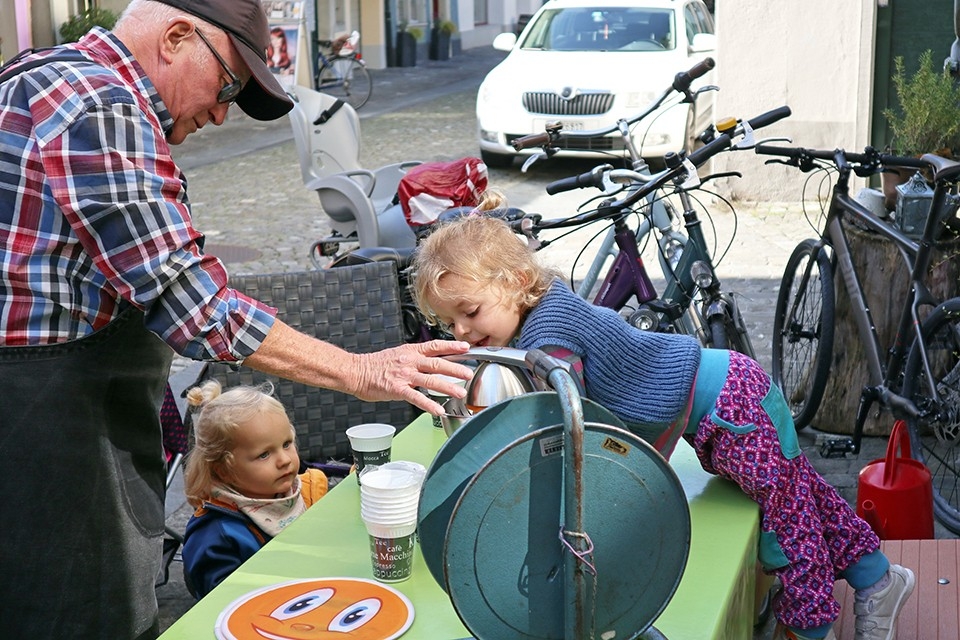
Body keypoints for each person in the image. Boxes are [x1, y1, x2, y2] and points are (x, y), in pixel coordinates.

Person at [0, 0, 469, 637]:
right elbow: (191, 303)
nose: (221, 114)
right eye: (226, 87)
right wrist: (361, 368)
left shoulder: (40, 74)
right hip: (51, 427)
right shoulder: (101, 103)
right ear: (175, 36)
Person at [411, 214, 916, 640]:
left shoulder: (548, 334)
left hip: (729, 405)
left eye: (470, 312)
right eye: (448, 323)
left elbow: (568, 427)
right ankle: (877, 578)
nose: (460, 332)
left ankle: (811, 627)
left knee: (787, 524)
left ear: (516, 282)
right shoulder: (543, 307)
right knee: (800, 490)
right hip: (725, 393)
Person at [180, 380, 327, 598]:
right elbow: (220, 602)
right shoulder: (217, 534)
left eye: (287, 444)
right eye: (264, 455)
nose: (284, 460)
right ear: (223, 469)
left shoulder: (308, 491)